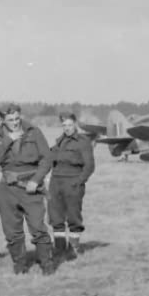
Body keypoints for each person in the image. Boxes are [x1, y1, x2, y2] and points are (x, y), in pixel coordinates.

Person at [0, 104, 56, 275]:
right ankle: (19, 265)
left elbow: (47, 159)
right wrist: (8, 139)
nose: (15, 122)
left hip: (30, 188)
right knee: (11, 231)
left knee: (37, 227)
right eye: (10, 120)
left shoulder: (34, 132)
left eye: (17, 118)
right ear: (3, 120)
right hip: (8, 189)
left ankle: (47, 265)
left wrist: (36, 180)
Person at [48, 111, 96, 260]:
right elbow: (50, 161)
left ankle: (74, 248)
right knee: (55, 217)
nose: (67, 128)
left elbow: (89, 166)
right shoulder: (59, 141)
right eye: (64, 125)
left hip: (73, 181)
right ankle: (59, 248)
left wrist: (78, 182)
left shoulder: (83, 141)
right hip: (56, 182)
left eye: (69, 124)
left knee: (74, 216)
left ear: (75, 124)